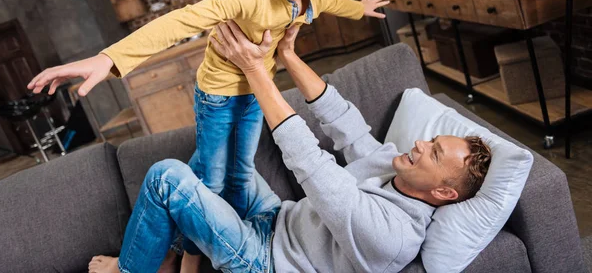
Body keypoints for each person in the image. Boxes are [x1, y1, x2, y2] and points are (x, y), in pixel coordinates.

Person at [27, 0, 389, 269]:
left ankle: (182, 250)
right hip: (217, 94)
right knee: (211, 179)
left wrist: (361, 8)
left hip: (253, 95)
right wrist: (110, 59)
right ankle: (183, 259)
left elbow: (338, 3)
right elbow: (182, 20)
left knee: (241, 174)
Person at [88, 21, 492, 273]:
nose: (422, 144)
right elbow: (344, 122)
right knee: (222, 153)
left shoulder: (394, 238)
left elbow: (311, 165)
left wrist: (253, 68)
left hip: (263, 261)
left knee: (166, 177)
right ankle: (177, 257)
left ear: (443, 192)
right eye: (434, 140)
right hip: (276, 218)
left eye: (435, 153)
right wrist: (286, 54)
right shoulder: (394, 165)